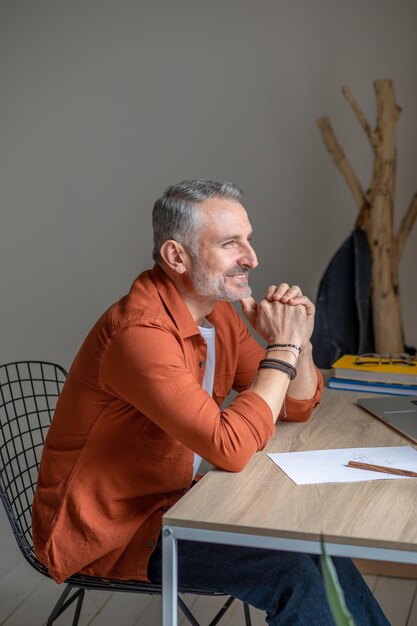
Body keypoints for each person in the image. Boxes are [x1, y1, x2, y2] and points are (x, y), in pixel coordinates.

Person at [32, 180, 389, 625]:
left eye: (249, 240)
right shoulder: (139, 335)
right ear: (176, 257)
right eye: (229, 243)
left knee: (315, 547)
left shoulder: (217, 313)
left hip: (180, 501)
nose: (252, 258)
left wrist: (298, 341)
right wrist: (280, 351)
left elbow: (294, 406)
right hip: (114, 532)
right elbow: (230, 448)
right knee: (291, 571)